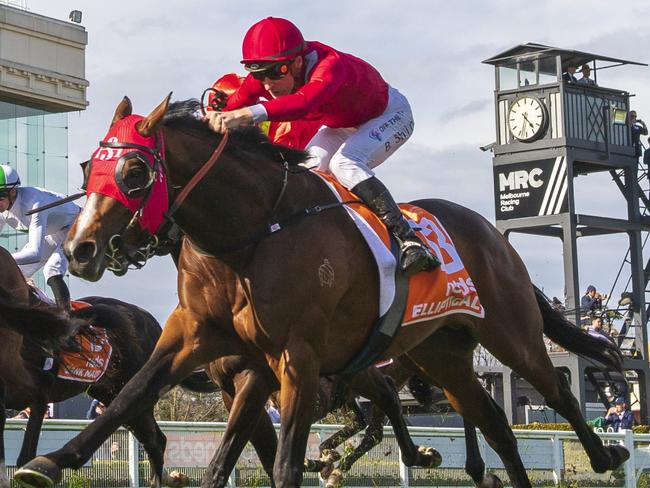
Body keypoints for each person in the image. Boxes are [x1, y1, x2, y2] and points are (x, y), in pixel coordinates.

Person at [205, 17, 439, 276]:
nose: (268, 84)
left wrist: (245, 115)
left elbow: (301, 104)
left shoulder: (329, 66)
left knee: (345, 164)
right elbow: (233, 105)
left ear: (297, 62)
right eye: (259, 74)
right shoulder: (268, 76)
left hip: (389, 115)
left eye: (276, 72)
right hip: (344, 124)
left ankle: (409, 240)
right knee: (308, 170)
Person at [0, 164, 80, 311]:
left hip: (76, 225)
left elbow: (34, 254)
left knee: (52, 270)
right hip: (53, 232)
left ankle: (67, 321)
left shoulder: (34, 203)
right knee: (18, 273)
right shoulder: (2, 209)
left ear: (12, 192)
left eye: (0, 195)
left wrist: (5, 259)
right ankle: (44, 308)